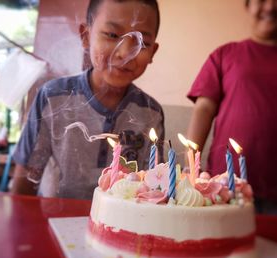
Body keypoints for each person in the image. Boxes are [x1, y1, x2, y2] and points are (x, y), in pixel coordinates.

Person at [187, 0, 277, 215]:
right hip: (223, 189)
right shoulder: (225, 54)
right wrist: (191, 166)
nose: (270, 7)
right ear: (248, 6)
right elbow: (203, 109)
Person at [11, 0, 164, 199]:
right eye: (112, 35)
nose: (125, 53)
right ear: (86, 36)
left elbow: (153, 188)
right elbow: (25, 183)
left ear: (153, 52)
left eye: (142, 42)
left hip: (118, 226)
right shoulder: (52, 97)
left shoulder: (151, 113)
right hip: (53, 221)